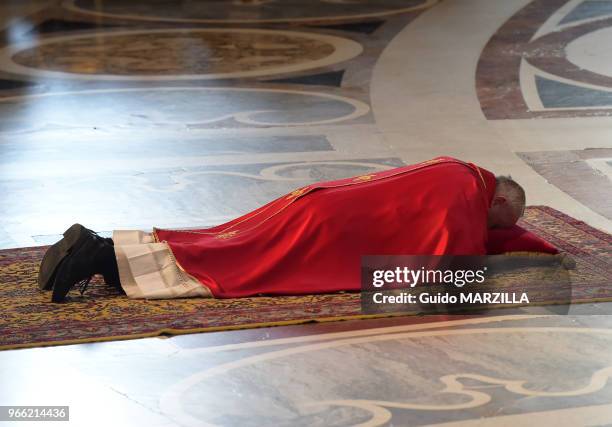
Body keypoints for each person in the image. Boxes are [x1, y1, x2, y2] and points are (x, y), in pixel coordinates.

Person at [39, 156, 525, 303]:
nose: (488, 228)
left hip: (319, 202)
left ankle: (114, 251)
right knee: (236, 266)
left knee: (222, 238)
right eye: (494, 222)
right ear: (498, 198)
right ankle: (100, 257)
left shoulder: (457, 169)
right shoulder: (468, 197)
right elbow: (452, 268)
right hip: (329, 231)